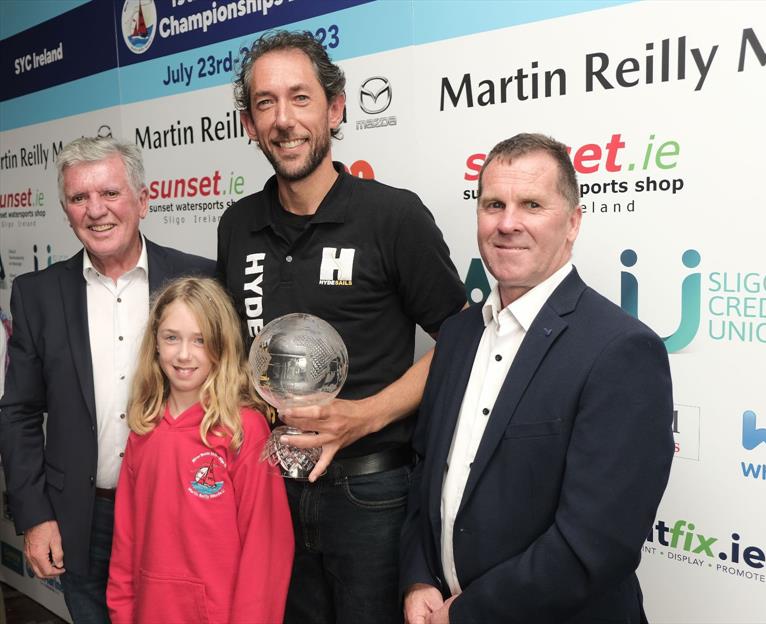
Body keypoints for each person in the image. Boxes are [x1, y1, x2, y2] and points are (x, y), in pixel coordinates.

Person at [217, 30, 466, 623]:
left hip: (373, 494)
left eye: (300, 98)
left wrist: (365, 415)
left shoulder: (393, 216)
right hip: (270, 488)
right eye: (265, 103)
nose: (283, 120)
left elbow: (462, 338)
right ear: (249, 125)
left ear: (335, 107)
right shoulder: (237, 225)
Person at [400, 133, 674, 624]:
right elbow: (426, 471)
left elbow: (594, 545)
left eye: (531, 204)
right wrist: (419, 575)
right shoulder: (460, 335)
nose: (507, 224)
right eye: (493, 205)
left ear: (572, 223)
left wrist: (465, 615)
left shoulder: (621, 351)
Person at [0, 136, 214, 623]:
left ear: (142, 199)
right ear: (65, 209)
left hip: (181, 510)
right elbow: (19, 413)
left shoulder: (199, 280)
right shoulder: (36, 295)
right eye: (79, 198)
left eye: (110, 194)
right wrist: (34, 516)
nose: (95, 210)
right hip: (82, 517)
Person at [106, 276, 293, 623]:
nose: (183, 354)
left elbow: (266, 549)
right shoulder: (143, 428)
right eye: (171, 338)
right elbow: (125, 541)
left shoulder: (243, 428)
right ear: (156, 344)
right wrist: (122, 613)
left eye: (200, 340)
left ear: (221, 347)